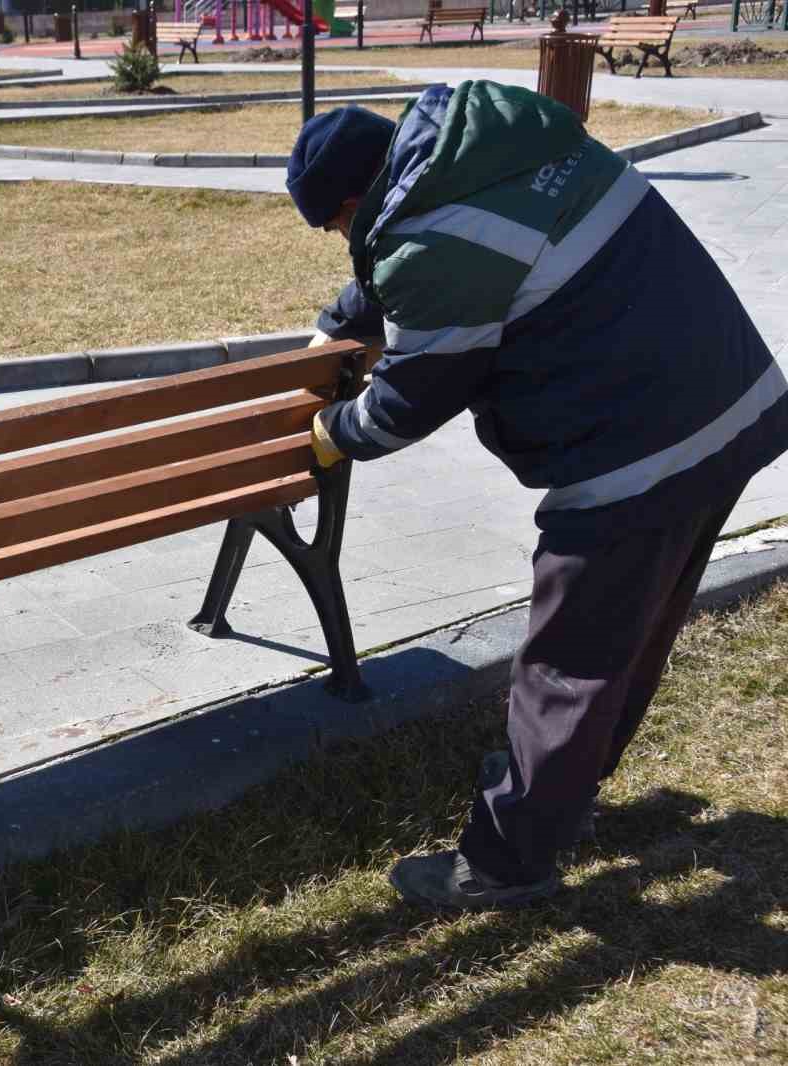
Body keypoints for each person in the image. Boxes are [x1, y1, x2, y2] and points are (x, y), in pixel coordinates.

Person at [286, 84, 788, 909]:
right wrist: (338, 322)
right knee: (631, 631)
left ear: (348, 206)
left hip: (637, 447)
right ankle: (564, 789)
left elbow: (411, 398)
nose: (347, 240)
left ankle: (506, 859)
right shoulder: (483, 154)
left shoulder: (435, 238)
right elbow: (419, 259)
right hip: (729, 403)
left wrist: (330, 432)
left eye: (338, 228)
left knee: (567, 661)